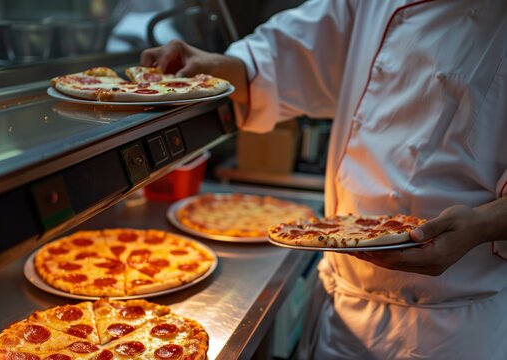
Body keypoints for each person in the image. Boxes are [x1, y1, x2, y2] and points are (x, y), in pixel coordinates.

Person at [140, 0, 507, 358]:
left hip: (453, 325)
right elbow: (298, 47)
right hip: (343, 300)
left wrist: (482, 224)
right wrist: (219, 65)